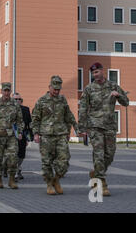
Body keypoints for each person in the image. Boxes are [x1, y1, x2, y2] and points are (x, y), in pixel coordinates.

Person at [78, 62, 129, 196]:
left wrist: (118, 95)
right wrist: (82, 128)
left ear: (102, 71)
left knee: (110, 155)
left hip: (110, 126)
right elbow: (83, 109)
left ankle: (96, 173)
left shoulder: (113, 86)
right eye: (93, 73)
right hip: (95, 126)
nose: (95, 75)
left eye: (97, 72)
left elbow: (126, 102)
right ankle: (101, 182)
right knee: (99, 155)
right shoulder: (89, 88)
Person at [31, 76, 83, 195]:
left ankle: (56, 180)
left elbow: (69, 116)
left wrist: (76, 128)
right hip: (46, 135)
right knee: (47, 162)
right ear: (49, 87)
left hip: (61, 134)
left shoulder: (62, 100)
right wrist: (36, 133)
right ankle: (49, 184)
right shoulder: (41, 101)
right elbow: (35, 119)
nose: (56, 91)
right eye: (54, 89)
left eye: (58, 89)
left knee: (64, 160)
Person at [0, 82, 24, 189]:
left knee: (13, 157)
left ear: (10, 91)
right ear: (2, 91)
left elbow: (20, 120)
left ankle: (11, 180)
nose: (7, 93)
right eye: (5, 90)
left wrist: (20, 132)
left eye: (8, 91)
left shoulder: (15, 104)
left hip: (12, 136)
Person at [12, 92, 32, 181]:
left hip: (22, 135)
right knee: (13, 154)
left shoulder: (26, 109)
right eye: (15, 99)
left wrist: (29, 137)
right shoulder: (8, 109)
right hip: (11, 135)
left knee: (21, 155)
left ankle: (18, 167)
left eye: (19, 99)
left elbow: (29, 124)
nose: (17, 101)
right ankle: (15, 172)